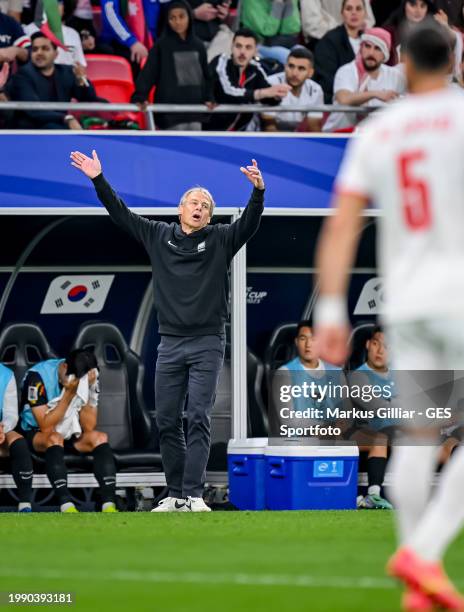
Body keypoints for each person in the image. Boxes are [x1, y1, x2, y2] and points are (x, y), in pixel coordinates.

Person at [315, 20, 464, 611]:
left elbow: (342, 224)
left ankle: (418, 586)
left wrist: (331, 306)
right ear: (453, 60)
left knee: (418, 433)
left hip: (404, 304)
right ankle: (424, 550)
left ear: (402, 61)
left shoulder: (378, 131)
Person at [70, 149, 266, 513]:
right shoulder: (158, 234)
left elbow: (249, 225)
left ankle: (194, 494)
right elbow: (121, 213)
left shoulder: (222, 238)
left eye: (206, 205)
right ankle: (174, 494)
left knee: (198, 417)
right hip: (171, 343)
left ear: (209, 215)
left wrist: (257, 193)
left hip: (208, 341)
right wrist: (98, 179)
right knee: (166, 419)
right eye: (194, 202)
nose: (200, 207)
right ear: (180, 209)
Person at [19, 349, 118, 513]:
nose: (80, 383)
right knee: (54, 437)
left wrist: (90, 390)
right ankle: (66, 504)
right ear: (64, 367)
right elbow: (46, 426)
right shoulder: (37, 377)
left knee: (99, 437)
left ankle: (109, 504)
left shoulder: (89, 378)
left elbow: (88, 426)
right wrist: (69, 394)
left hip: (70, 432)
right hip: (37, 433)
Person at [131, 0, 211, 130]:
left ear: (189, 18)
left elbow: (206, 76)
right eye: (172, 18)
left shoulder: (198, 46)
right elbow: (148, 73)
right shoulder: (161, 46)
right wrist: (140, 96)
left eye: (181, 16)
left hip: (195, 110)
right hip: (170, 112)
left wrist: (209, 97)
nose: (177, 22)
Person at [11, 32, 104, 129]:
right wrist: (66, 118)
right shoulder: (23, 75)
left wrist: (81, 79)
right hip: (32, 130)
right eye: (35, 49)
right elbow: (34, 110)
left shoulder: (66, 72)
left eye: (45, 49)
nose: (39, 53)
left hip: (59, 125)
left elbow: (89, 99)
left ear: (56, 54)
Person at [346, 326, 395, 510]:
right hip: (365, 434)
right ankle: (374, 495)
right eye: (376, 344)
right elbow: (378, 407)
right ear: (368, 345)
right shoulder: (358, 376)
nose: (380, 350)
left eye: (386, 346)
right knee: (380, 437)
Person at [323, 27, 406, 132]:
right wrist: (376, 94)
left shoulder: (395, 76)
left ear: (385, 55)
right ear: (361, 48)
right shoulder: (346, 71)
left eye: (377, 48)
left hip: (375, 138)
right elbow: (344, 99)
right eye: (367, 46)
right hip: (338, 137)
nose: (371, 53)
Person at [208, 27, 290, 131]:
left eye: (248, 47)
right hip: (212, 132)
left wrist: (276, 96)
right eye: (238, 46)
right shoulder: (221, 61)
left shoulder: (256, 68)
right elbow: (228, 92)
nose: (242, 52)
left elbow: (267, 96)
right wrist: (262, 93)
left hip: (240, 133)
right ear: (231, 47)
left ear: (255, 51)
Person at [314, 0, 369, 103]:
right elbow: (326, 80)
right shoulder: (329, 41)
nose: (354, 13)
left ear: (365, 13)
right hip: (337, 102)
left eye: (358, 9)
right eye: (349, 9)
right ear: (342, 13)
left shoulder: (369, 42)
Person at [261, 45, 324, 132]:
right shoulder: (271, 84)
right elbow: (269, 127)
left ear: (310, 73)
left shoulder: (315, 90)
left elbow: (314, 127)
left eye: (301, 68)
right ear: (285, 66)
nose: (294, 73)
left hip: (294, 136)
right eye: (291, 66)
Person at [0, 363, 34, 512]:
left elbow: (11, 414)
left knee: (18, 441)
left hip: (0, 430)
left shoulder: (6, 374)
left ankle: (25, 503)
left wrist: (2, 428)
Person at [24, 0, 87, 67]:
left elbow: (81, 66)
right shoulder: (27, 31)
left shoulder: (73, 34)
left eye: (59, 1)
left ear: (65, 7)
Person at [240, 0, 301, 65]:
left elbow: (291, 30)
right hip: (258, 44)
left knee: (304, 55)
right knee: (292, 59)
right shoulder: (251, 2)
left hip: (281, 41)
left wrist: (287, 3)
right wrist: (278, 5)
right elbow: (268, 31)